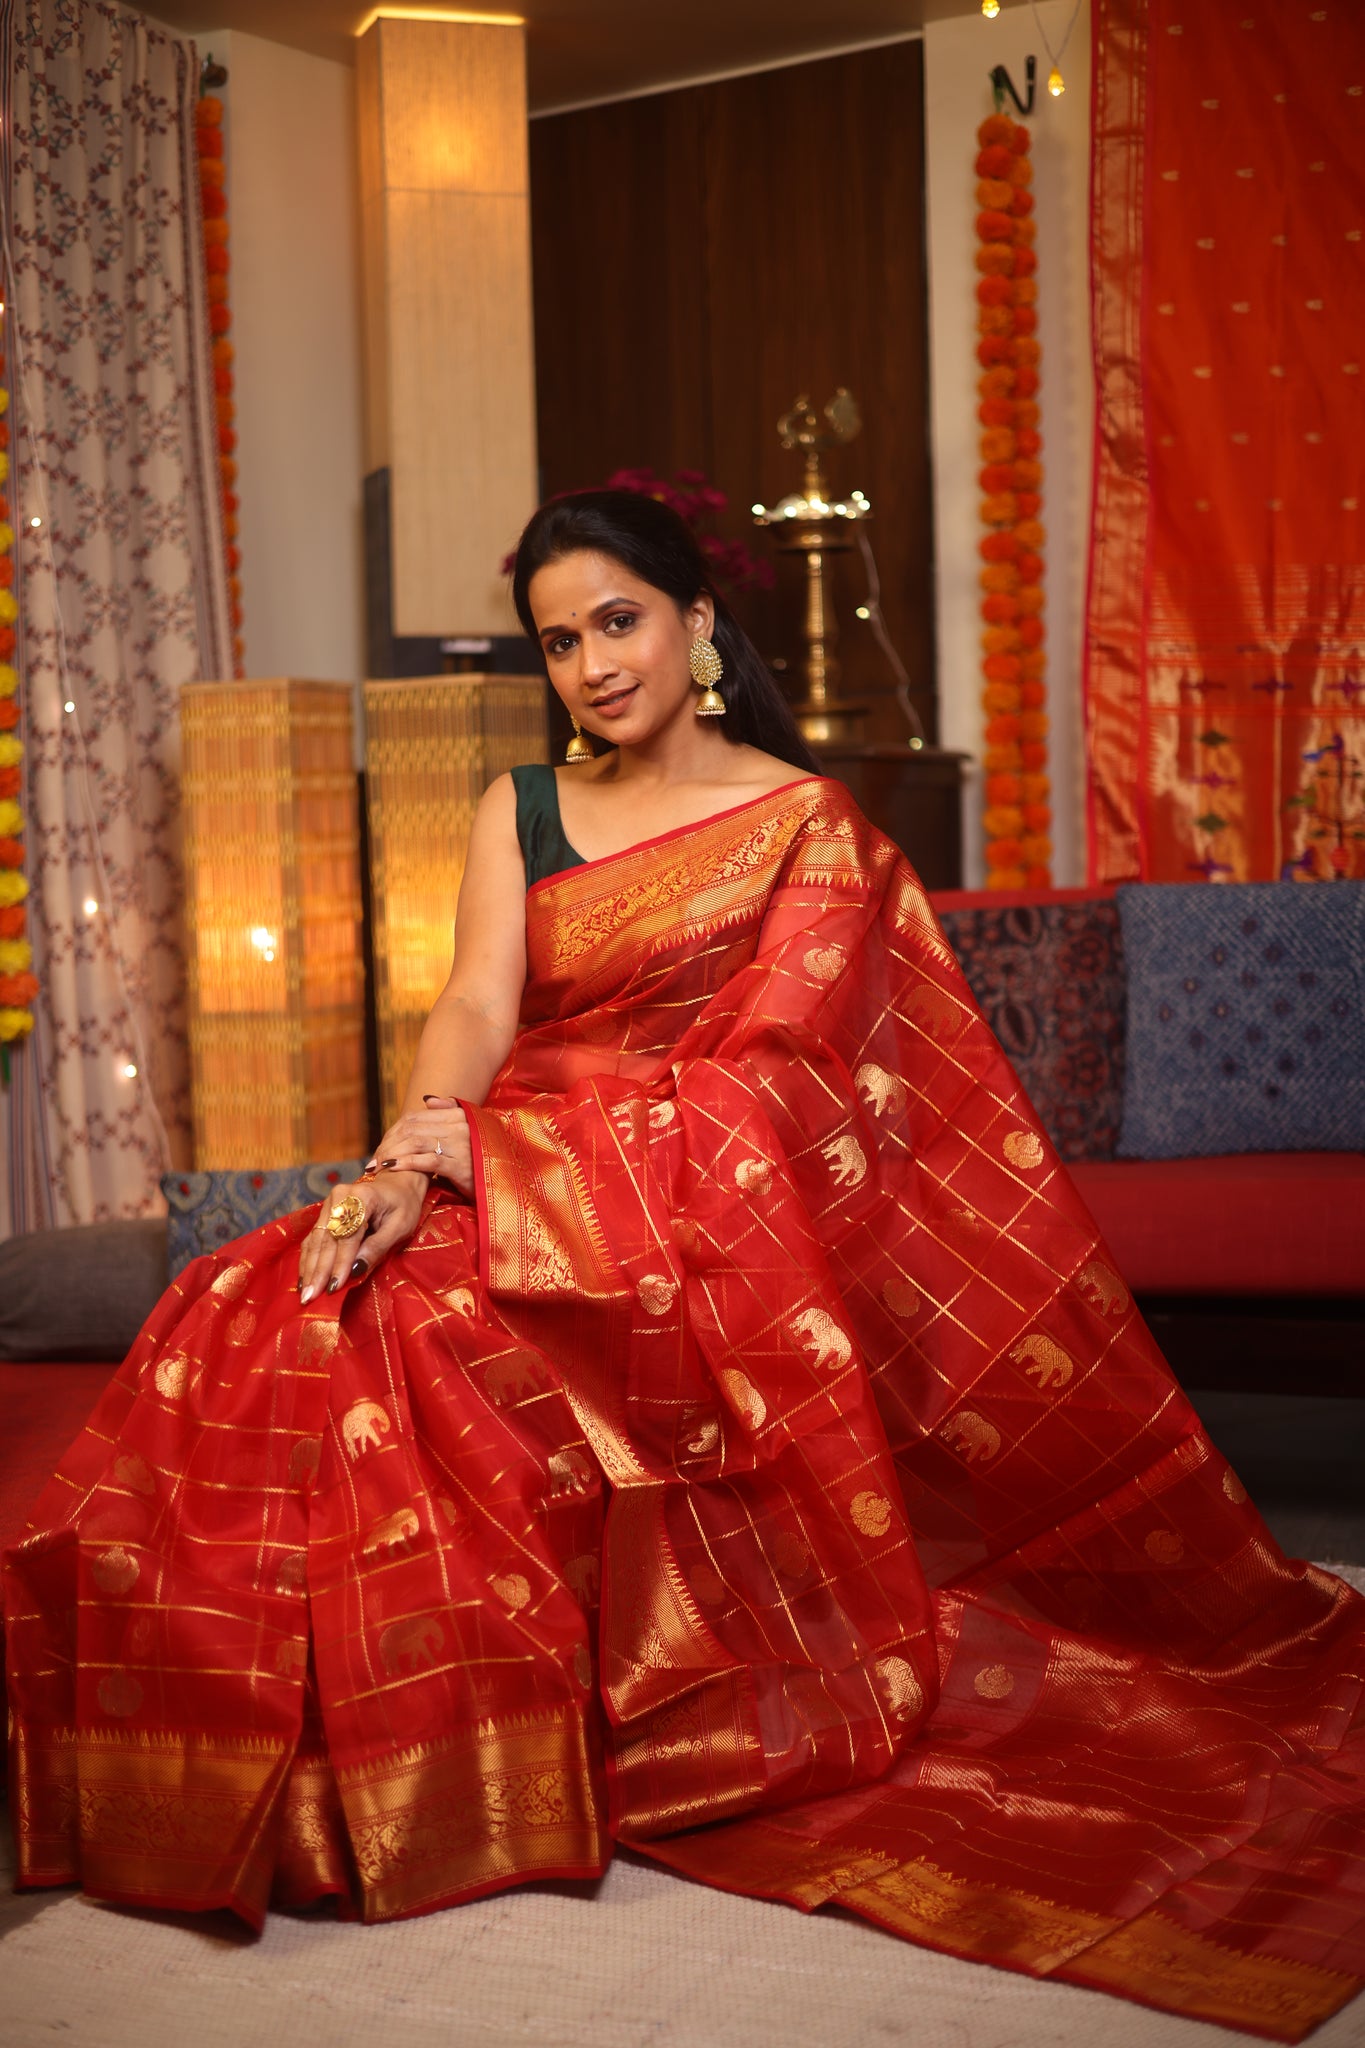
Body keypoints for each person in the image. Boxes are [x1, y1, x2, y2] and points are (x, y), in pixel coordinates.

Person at [5, 492, 1363, 2041]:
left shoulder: (806, 825)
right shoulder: (520, 803)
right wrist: (405, 1162)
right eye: (558, 641)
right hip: (498, 1162)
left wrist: (533, 1172)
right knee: (266, 1303)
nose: (592, 664)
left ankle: (464, 1767)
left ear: (697, 623)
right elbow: (474, 1006)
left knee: (432, 1349)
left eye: (618, 621)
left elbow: (781, 1085)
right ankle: (291, 1769)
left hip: (694, 1229)